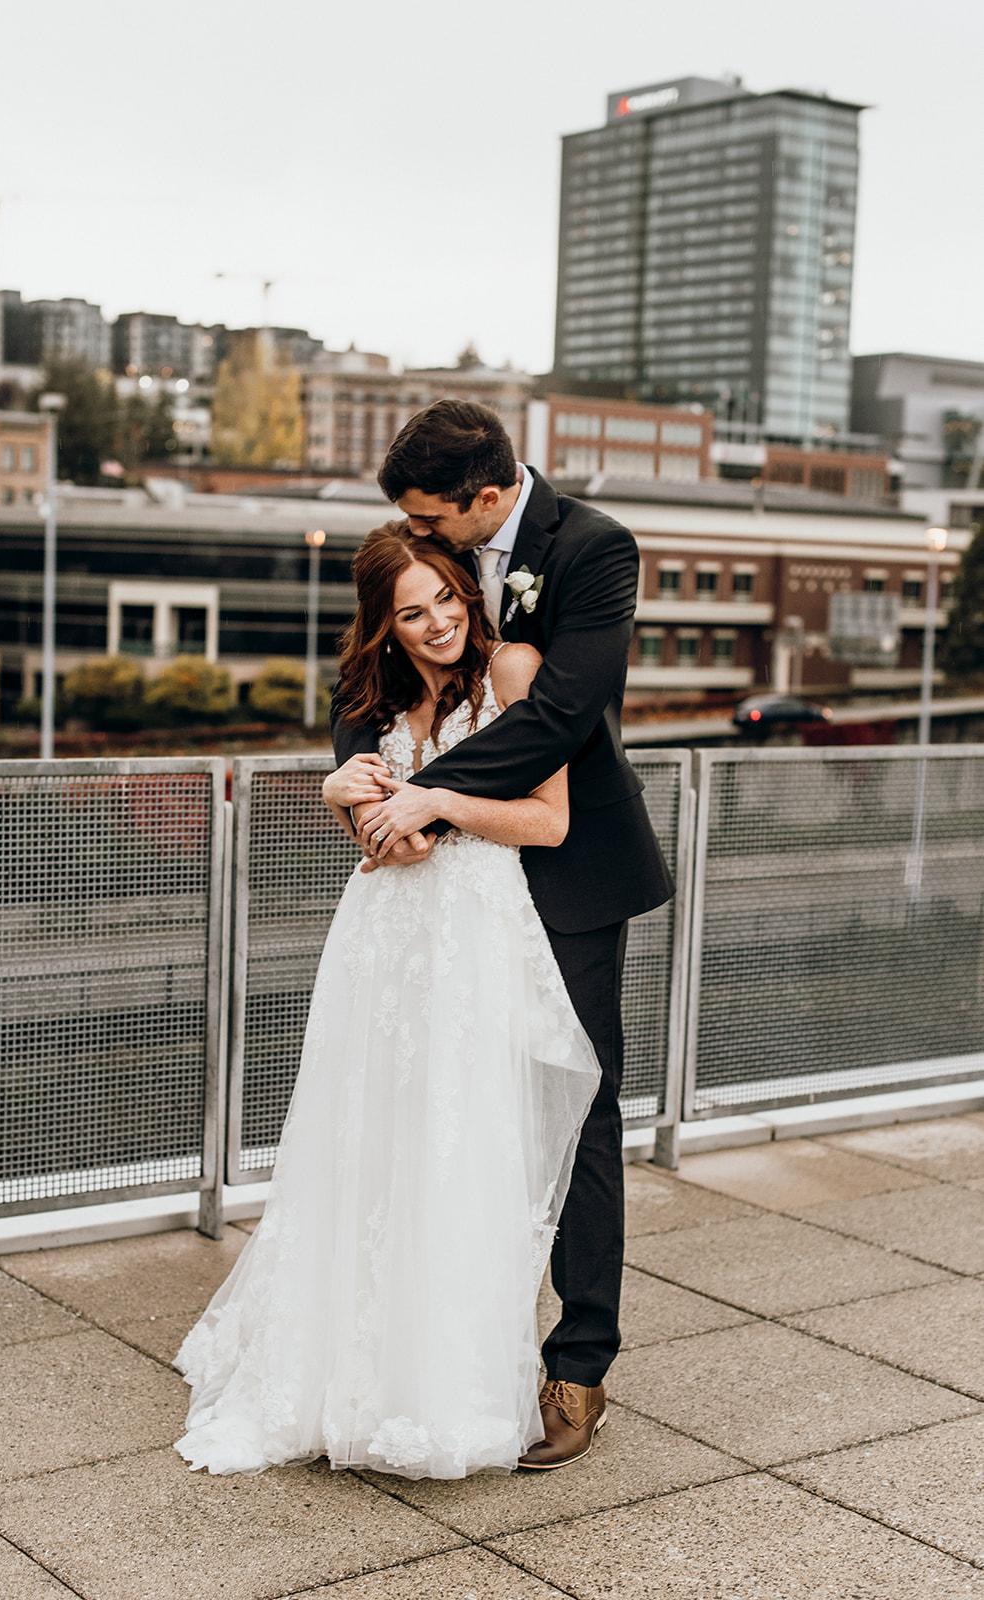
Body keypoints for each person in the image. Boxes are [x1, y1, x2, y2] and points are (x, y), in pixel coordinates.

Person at [171, 522, 603, 1480]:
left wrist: (436, 802)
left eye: (446, 598)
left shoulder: (513, 672)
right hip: (382, 938)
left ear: (467, 591)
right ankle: (338, 1366)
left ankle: (437, 1385)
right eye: (413, 613)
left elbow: (549, 821)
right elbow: (380, 839)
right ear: (385, 625)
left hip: (473, 940)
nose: (438, 622)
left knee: (456, 1145)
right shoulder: (379, 698)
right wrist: (346, 797)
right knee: (365, 1139)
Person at [333, 399, 674, 1469]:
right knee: (443, 1113)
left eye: (431, 519)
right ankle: (440, 1352)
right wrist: (359, 783)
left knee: (576, 1113)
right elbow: (371, 671)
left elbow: (560, 715)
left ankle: (579, 1368)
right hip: (444, 899)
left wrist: (425, 798)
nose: (418, 534)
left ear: (485, 497)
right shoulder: (428, 553)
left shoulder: (594, 548)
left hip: (567, 872)